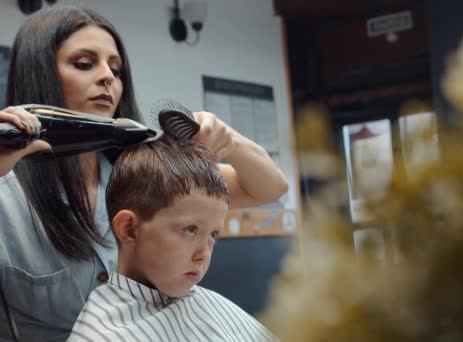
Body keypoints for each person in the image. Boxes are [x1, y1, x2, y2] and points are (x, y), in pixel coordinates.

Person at [0, 5, 287, 341]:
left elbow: (270, 189)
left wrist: (232, 141)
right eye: (84, 63)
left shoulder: (140, 176)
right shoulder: (7, 198)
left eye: (116, 68)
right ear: (41, 75)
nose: (108, 76)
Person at [68, 137, 274, 341]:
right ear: (129, 229)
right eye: (190, 230)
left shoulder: (205, 302)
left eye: (213, 235)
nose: (204, 254)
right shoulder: (100, 336)